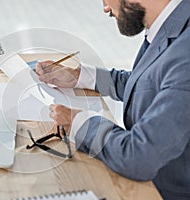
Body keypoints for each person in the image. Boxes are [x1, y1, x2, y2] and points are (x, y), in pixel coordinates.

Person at [36, 0, 190, 199]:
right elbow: (149, 84)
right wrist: (79, 76)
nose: (105, 7)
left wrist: (79, 122)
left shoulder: (185, 54)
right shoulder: (172, 24)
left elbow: (139, 156)